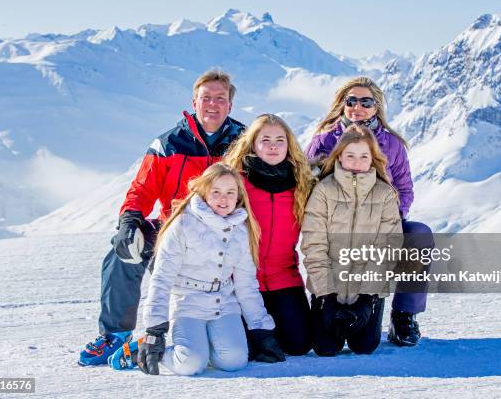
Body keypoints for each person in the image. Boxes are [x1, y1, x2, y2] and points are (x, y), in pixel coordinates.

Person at [79, 69, 246, 366]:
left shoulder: (244, 143)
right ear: (193, 102)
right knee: (124, 251)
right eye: (205, 97)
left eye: (220, 98)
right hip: (173, 229)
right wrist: (130, 220)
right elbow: (143, 188)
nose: (212, 104)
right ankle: (116, 334)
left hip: (224, 233)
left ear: (230, 105)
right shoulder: (169, 143)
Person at [305, 77, 434, 347]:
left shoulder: (392, 145)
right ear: (342, 104)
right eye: (350, 101)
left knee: (419, 235)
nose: (357, 107)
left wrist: (388, 220)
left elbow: (404, 188)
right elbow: (307, 184)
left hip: (379, 226)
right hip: (336, 228)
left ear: (376, 107)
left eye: (366, 102)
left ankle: (403, 316)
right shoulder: (324, 141)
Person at [128, 163, 284, 375]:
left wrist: (261, 330)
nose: (223, 199)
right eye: (216, 192)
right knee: (190, 363)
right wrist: (155, 329)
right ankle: (137, 351)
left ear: (238, 196)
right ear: (203, 192)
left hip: (224, 304)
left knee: (235, 361)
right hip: (187, 303)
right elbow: (162, 278)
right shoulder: (183, 224)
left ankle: (204, 345)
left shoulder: (241, 229)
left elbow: (246, 284)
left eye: (230, 192)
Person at [301, 125, 403, 356]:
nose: (357, 162)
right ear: (339, 156)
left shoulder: (384, 194)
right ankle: (324, 306)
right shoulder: (324, 191)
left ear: (373, 159)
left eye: (364, 156)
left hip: (366, 290)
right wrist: (326, 296)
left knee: (364, 346)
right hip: (329, 288)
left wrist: (367, 298)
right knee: (325, 348)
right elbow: (314, 245)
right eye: (350, 155)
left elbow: (387, 248)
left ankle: (370, 306)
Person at [224, 114, 313, 356]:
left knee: (299, 345)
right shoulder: (236, 181)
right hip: (243, 280)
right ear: (252, 144)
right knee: (242, 348)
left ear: (289, 145)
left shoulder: (301, 182)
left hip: (285, 276)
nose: (273, 146)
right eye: (265, 140)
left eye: (279, 140)